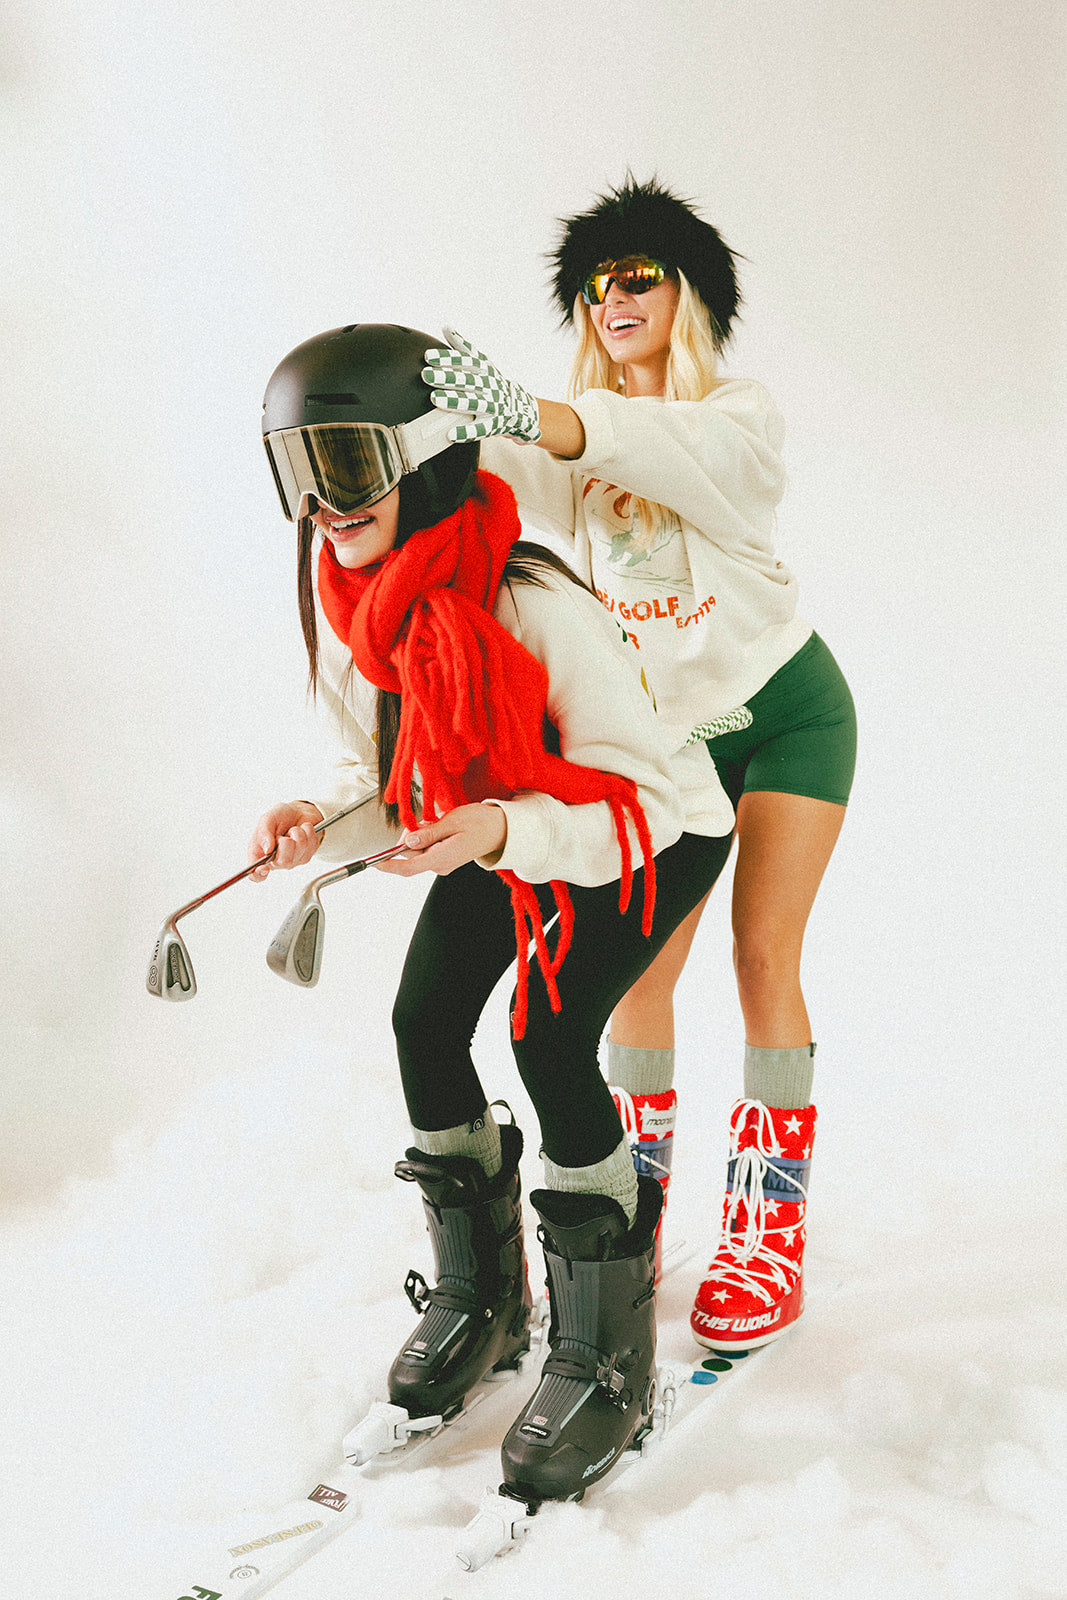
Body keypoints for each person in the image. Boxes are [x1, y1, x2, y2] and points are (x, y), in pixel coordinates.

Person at [249, 321, 736, 1505]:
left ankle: (606, 1351)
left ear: (424, 460)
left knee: (546, 1033)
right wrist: (318, 817)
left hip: (645, 827)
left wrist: (501, 833)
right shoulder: (352, 600)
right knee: (423, 1021)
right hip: (496, 812)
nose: (321, 503)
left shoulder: (529, 599)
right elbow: (384, 769)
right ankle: (486, 1299)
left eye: (345, 464)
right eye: (294, 468)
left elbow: (634, 802)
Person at [420, 176, 858, 1354]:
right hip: (669, 745)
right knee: (637, 974)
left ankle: (766, 1225)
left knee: (760, 953)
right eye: (593, 285)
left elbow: (644, 441)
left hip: (786, 714)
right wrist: (438, 421)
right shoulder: (579, 428)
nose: (612, 298)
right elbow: (513, 466)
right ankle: (640, 1188)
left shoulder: (735, 417)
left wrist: (543, 415)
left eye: (636, 275)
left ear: (687, 294)